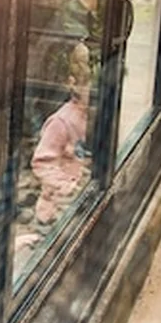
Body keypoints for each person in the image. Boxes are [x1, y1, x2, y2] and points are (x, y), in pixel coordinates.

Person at [31, 41, 92, 224]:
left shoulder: (93, 115)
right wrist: (68, 187)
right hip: (58, 212)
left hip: (83, 200)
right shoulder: (61, 122)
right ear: (74, 84)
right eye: (90, 86)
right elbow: (41, 164)